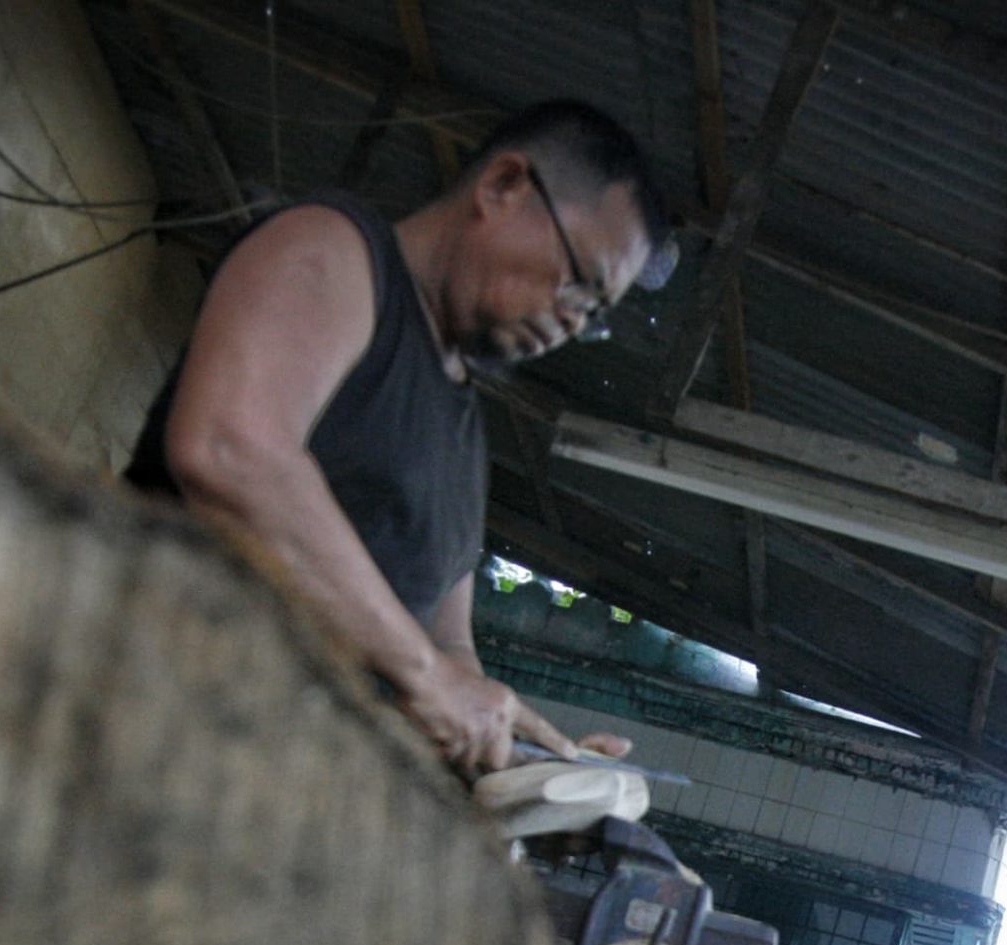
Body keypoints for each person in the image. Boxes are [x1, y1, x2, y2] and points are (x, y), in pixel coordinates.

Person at [125, 100, 676, 773]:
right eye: (579, 283)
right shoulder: (336, 251)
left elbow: (448, 654)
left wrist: (534, 760)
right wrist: (427, 675)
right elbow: (230, 448)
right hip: (125, 699)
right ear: (504, 187)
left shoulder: (467, 438)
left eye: (593, 315)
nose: (570, 322)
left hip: (241, 775)